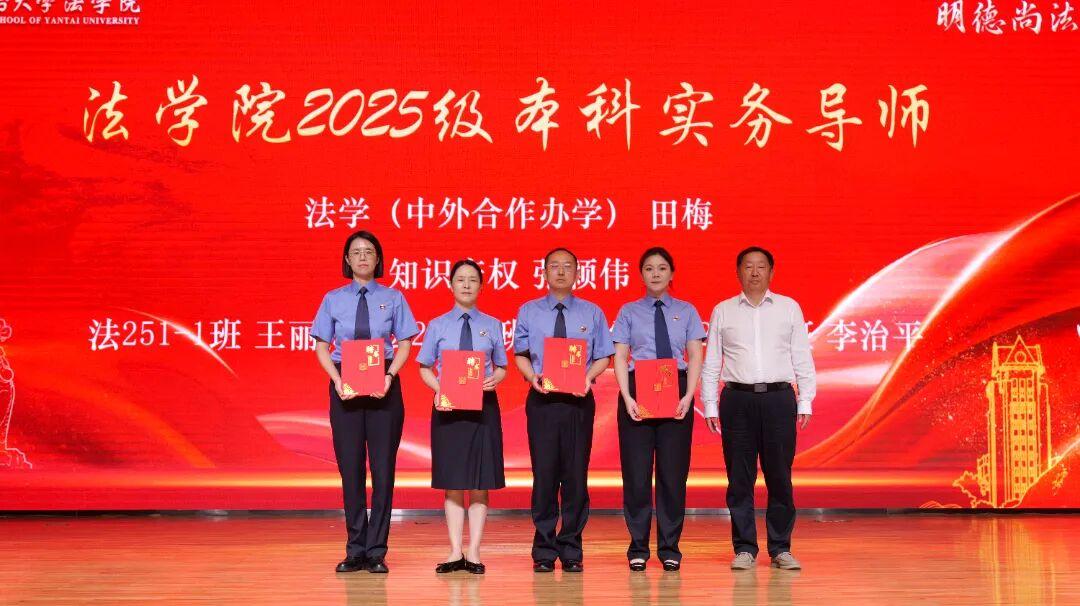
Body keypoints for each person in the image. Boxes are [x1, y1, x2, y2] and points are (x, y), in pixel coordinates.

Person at [700, 246, 816, 571]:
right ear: (738, 272)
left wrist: (805, 398)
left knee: (779, 475)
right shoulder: (723, 310)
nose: (754, 272)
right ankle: (744, 548)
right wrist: (709, 404)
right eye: (748, 266)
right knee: (739, 477)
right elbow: (712, 361)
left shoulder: (788, 308)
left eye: (761, 266)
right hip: (737, 400)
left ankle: (780, 548)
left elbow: (801, 356)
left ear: (771, 272)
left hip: (779, 399)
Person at [312, 230, 420, 574]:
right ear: (347, 259)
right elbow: (321, 347)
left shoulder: (393, 297)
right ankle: (355, 548)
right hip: (345, 381)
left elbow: (404, 343)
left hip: (383, 383)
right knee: (351, 469)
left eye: (369, 251)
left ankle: (376, 551)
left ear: (378, 259)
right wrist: (337, 379)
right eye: (356, 252)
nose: (362, 257)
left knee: (383, 470)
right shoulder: (333, 299)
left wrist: (389, 376)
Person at [513, 247, 615, 573]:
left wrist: (587, 377)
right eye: (554, 266)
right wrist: (532, 377)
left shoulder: (592, 313)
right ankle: (544, 549)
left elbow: (604, 355)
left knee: (575, 476)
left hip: (578, 402)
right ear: (544, 272)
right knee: (544, 476)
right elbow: (520, 354)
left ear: (577, 273)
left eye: (567, 266)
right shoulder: (529, 311)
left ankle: (571, 547)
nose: (560, 271)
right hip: (542, 401)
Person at [611, 247, 705, 572]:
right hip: (638, 390)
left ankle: (670, 548)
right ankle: (638, 547)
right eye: (649, 268)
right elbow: (620, 356)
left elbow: (695, 355)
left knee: (672, 475)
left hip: (676, 391)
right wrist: (627, 397)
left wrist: (689, 395)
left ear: (671, 273)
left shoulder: (687, 311)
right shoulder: (629, 311)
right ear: (641, 274)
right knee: (636, 475)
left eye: (662, 268)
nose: (655, 273)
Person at [417, 260, 507, 575]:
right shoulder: (437, 325)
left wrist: (495, 378)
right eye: (460, 279)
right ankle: (455, 550)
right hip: (448, 408)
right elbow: (424, 367)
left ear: (481, 286)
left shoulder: (493, 325)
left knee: (480, 482)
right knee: (453, 482)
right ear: (451, 285)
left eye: (472, 280)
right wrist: (439, 389)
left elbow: (502, 366)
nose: (466, 285)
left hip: (483, 407)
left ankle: (475, 551)